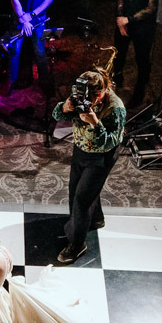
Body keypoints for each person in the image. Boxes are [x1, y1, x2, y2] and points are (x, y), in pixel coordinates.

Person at [50, 69, 128, 264]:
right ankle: (95, 220)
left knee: (82, 198)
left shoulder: (116, 108)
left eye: (90, 97)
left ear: (100, 93)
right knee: (75, 189)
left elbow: (110, 142)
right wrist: (66, 107)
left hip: (101, 157)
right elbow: (56, 114)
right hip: (81, 150)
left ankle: (77, 244)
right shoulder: (80, 96)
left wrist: (95, 123)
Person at [114, 0, 161, 106]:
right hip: (124, 19)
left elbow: (152, 6)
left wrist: (129, 19)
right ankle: (116, 82)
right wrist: (120, 18)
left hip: (144, 25)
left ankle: (139, 91)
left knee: (142, 58)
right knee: (118, 54)